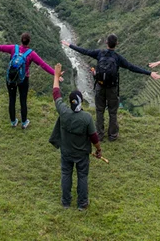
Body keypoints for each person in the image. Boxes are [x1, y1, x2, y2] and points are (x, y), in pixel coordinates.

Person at [62, 34, 160, 141]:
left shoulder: (99, 53)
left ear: (106, 43)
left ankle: (99, 134)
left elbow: (84, 51)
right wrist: (149, 73)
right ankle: (112, 135)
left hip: (100, 86)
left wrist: (70, 45)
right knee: (112, 112)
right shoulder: (118, 58)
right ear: (116, 44)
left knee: (99, 111)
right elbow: (132, 67)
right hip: (112, 89)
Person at [49, 61, 101, 209]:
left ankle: (66, 202)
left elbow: (56, 93)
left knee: (66, 174)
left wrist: (56, 75)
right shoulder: (86, 118)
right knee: (82, 176)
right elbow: (94, 138)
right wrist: (98, 150)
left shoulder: (64, 112)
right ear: (81, 102)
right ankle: (82, 203)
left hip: (66, 152)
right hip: (82, 154)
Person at [0, 33, 56, 128]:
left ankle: (13, 122)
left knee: (12, 99)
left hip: (11, 78)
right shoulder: (31, 54)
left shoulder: (14, 48)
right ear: (29, 42)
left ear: (21, 40)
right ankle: (24, 122)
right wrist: (55, 74)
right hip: (23, 80)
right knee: (23, 100)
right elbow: (43, 65)